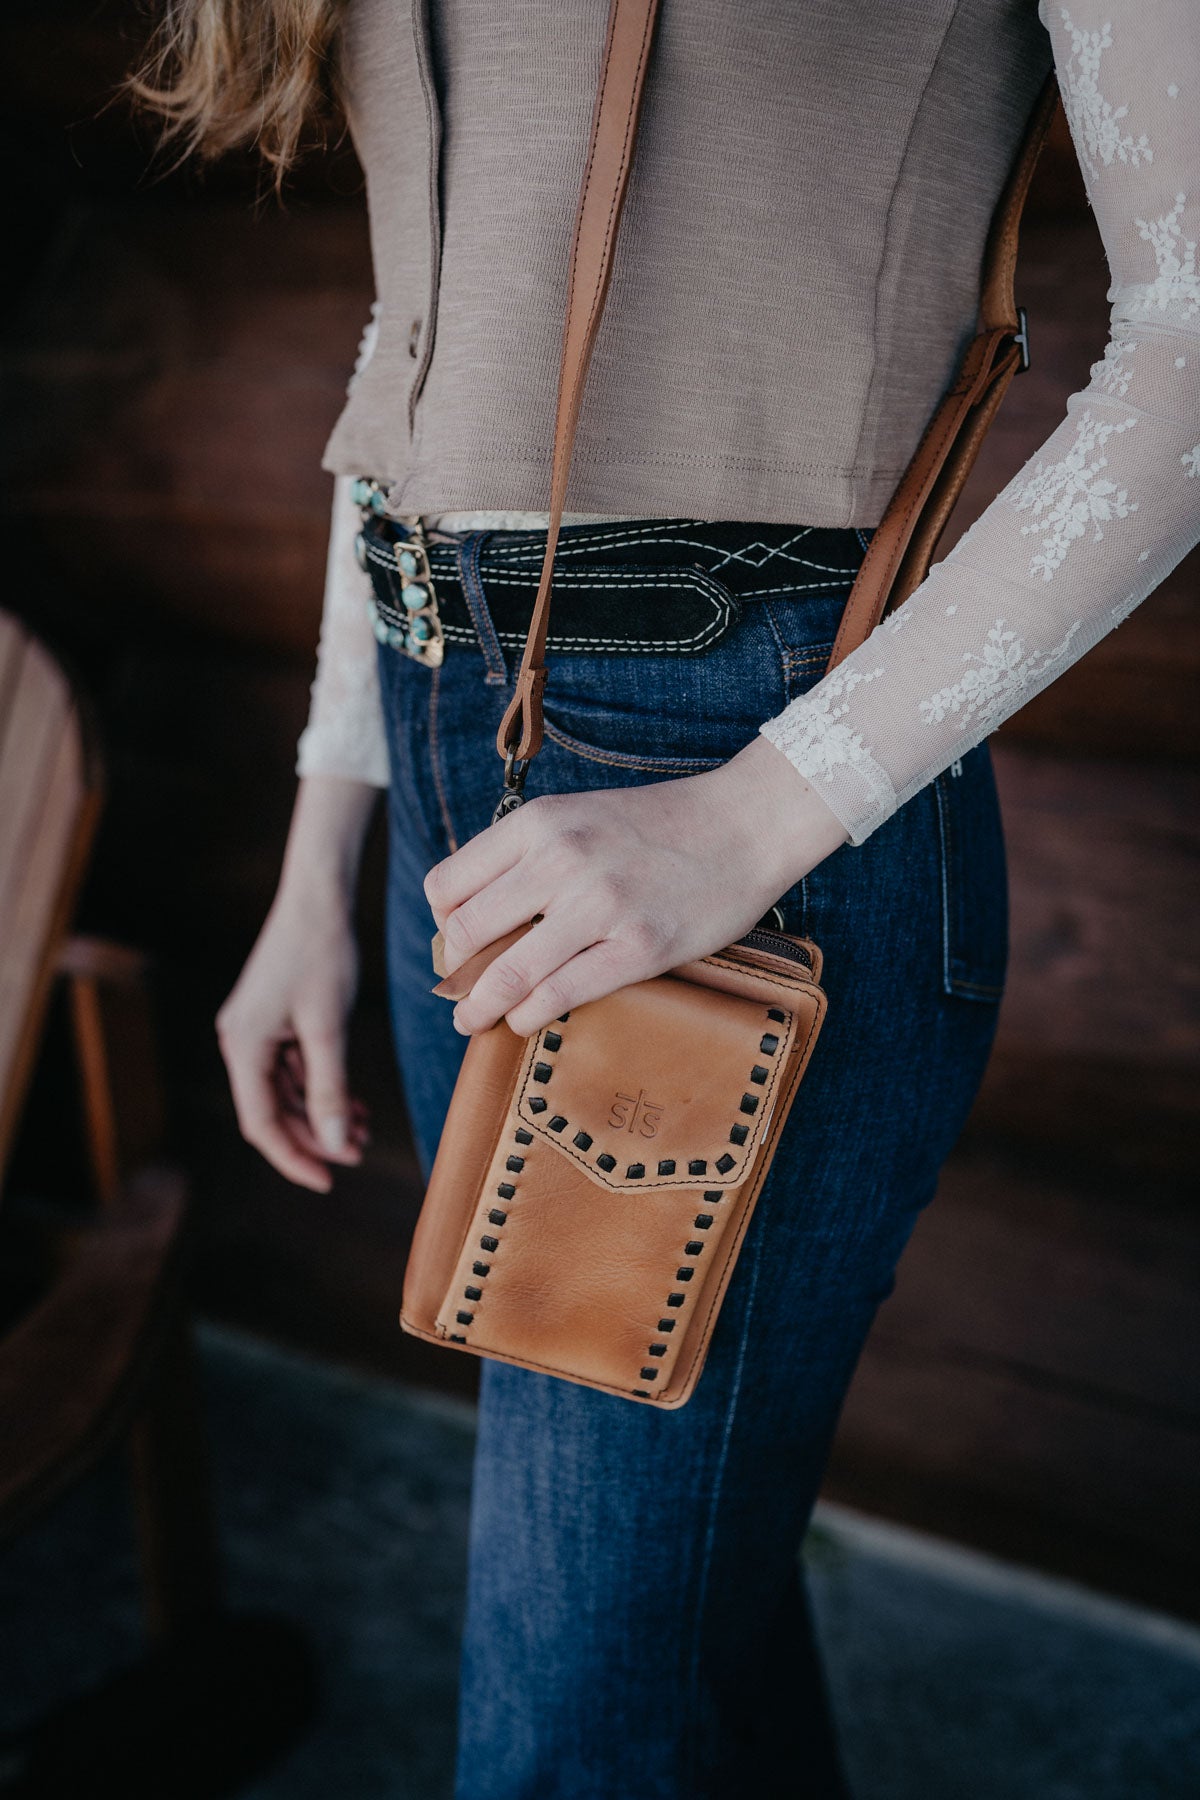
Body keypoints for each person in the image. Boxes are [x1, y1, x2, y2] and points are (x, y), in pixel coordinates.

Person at [135, 2, 1199, 1794]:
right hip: (444, 789)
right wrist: (323, 849)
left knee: (566, 1730)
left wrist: (752, 816)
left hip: (742, 803)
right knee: (668, 1619)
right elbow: (415, 343)